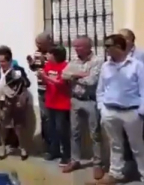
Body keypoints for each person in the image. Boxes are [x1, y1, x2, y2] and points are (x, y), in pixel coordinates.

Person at [95, 34, 144, 185]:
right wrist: (102, 107)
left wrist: (141, 111)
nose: (106, 49)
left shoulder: (137, 65)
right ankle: (115, 173)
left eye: (109, 46)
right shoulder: (106, 66)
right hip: (110, 110)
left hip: (131, 112)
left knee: (137, 146)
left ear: (119, 47)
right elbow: (100, 89)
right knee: (115, 144)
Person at [61, 35, 104, 180]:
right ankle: (75, 160)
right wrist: (78, 74)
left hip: (90, 100)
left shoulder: (97, 61)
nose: (76, 49)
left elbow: (92, 80)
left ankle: (98, 163)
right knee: (75, 132)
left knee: (95, 134)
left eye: (79, 46)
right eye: (75, 46)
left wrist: (73, 76)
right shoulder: (74, 60)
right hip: (75, 99)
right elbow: (63, 75)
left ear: (88, 47)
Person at [118, 28, 144, 170]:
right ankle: (130, 167)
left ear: (130, 40)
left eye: (122, 38)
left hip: (141, 102)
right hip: (123, 102)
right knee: (125, 136)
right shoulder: (117, 56)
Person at [0, 45, 30, 160]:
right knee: (2, 126)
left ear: (10, 60)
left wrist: (20, 79)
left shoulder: (18, 70)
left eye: (4, 61)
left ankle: (22, 147)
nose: (1, 64)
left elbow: (27, 84)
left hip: (16, 103)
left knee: (18, 127)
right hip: (2, 103)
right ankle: (3, 146)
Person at [39, 45, 71, 166]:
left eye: (50, 54)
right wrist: (42, 77)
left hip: (62, 103)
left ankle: (66, 154)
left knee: (62, 129)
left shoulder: (65, 67)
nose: (47, 56)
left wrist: (45, 77)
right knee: (51, 129)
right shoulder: (48, 66)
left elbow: (60, 83)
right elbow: (46, 82)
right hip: (50, 101)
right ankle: (54, 151)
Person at [27, 31, 53, 157]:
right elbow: (35, 68)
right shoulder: (37, 53)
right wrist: (31, 64)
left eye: (40, 44)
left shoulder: (54, 52)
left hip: (53, 90)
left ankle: (55, 147)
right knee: (44, 118)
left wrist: (45, 61)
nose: (38, 47)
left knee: (53, 119)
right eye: (37, 44)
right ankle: (46, 146)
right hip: (41, 89)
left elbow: (56, 67)